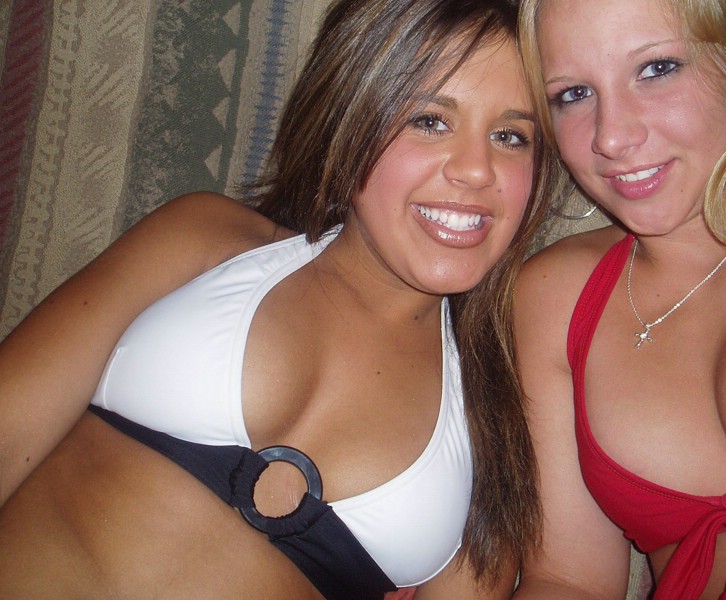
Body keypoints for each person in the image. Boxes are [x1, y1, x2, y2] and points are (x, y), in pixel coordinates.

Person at [0, 0, 546, 597]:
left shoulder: (496, 424)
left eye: (510, 136)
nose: (477, 170)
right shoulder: (207, 241)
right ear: (348, 118)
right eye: (430, 120)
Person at [512, 0, 726, 597]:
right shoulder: (554, 297)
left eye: (657, 69)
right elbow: (568, 580)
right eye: (573, 94)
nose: (612, 137)